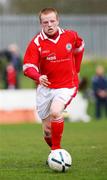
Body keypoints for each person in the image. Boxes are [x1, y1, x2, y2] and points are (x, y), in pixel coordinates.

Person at [23, 8, 84, 153]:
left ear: (57, 21)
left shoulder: (70, 36)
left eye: (52, 21)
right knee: (47, 131)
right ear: (41, 24)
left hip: (66, 85)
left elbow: (80, 46)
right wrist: (38, 77)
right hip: (45, 88)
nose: (49, 25)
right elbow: (27, 67)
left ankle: (56, 151)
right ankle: (55, 153)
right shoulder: (36, 43)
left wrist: (77, 69)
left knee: (56, 112)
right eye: (45, 22)